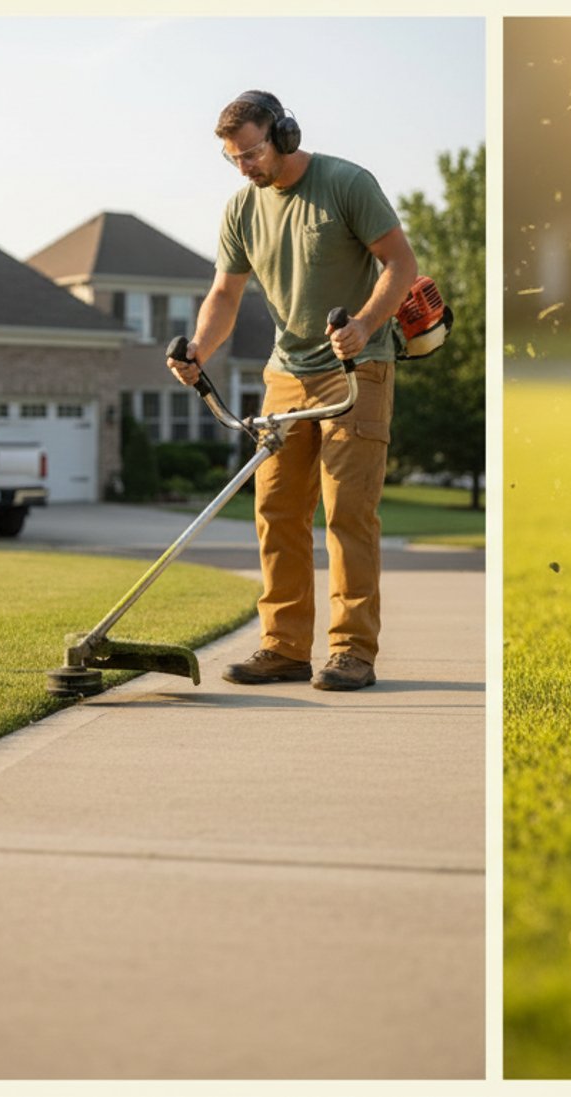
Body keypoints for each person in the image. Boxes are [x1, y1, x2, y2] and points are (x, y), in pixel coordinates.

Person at [168, 90, 419, 692]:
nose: (246, 166)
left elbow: (401, 265)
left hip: (355, 368)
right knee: (276, 510)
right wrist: (200, 348)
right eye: (233, 159)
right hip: (285, 375)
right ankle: (282, 648)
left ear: (283, 133)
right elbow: (225, 294)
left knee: (348, 513)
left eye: (252, 152)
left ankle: (353, 651)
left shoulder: (346, 184)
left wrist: (363, 325)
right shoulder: (241, 209)